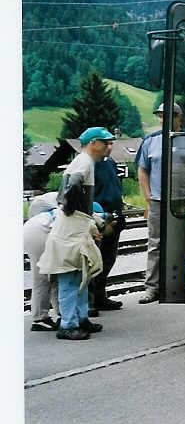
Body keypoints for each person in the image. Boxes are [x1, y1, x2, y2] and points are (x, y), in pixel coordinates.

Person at [37, 127, 110, 340]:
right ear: (94, 143)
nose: (108, 146)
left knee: (81, 275)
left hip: (76, 226)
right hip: (71, 228)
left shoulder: (84, 161)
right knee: (71, 276)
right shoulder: (85, 161)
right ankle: (68, 324)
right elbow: (73, 186)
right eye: (105, 142)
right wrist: (70, 209)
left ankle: (80, 318)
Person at [136, 102, 185, 304]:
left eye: (168, 116)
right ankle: (152, 287)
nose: (163, 120)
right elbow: (142, 170)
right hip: (159, 200)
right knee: (155, 244)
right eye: (160, 116)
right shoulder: (150, 141)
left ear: (179, 117)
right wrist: (148, 197)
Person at [89, 138, 125, 314]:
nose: (110, 147)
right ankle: (89, 301)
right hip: (98, 217)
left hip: (114, 215)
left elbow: (115, 189)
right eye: (106, 144)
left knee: (108, 258)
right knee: (93, 260)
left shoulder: (110, 162)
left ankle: (100, 296)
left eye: (112, 144)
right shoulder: (89, 164)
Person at [23, 204, 59, 331]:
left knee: (55, 274)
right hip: (39, 232)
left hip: (36, 228)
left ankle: (61, 313)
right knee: (43, 277)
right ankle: (39, 318)